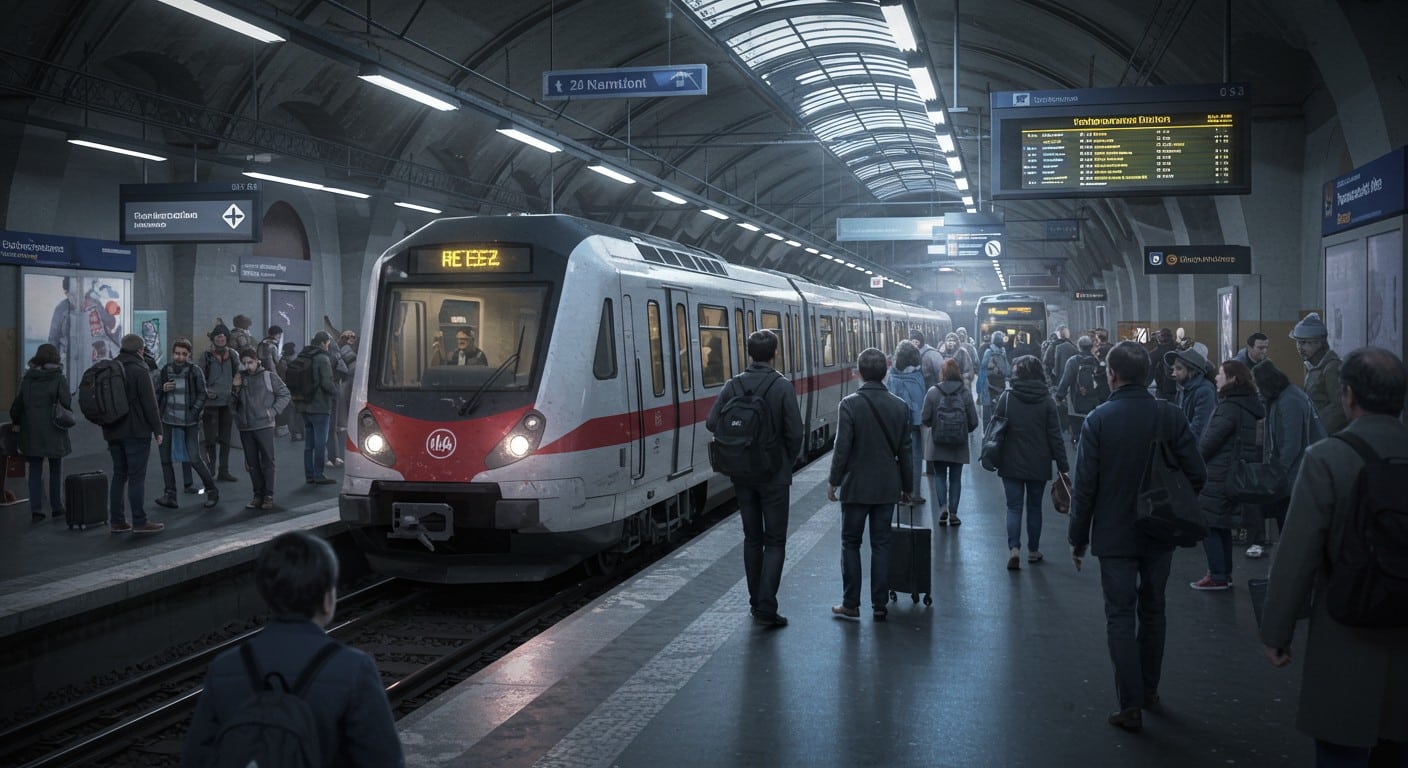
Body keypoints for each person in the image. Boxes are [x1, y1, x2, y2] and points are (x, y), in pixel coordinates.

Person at [1260, 347, 1408, 766]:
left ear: (1347, 396)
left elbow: (1297, 555)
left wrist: (1276, 632)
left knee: (1341, 747)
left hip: (1346, 627)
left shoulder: (1327, 457)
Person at [1068, 341, 1207, 732]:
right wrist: (1171, 503)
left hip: (1114, 536)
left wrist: (1077, 537)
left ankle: (1129, 704)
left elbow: (1086, 488)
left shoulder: (1098, 420)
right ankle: (1149, 691)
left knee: (1119, 615)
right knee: (1154, 609)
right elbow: (1197, 473)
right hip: (1159, 531)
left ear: (1111, 374)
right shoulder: (1171, 415)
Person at [182, 531, 405, 767]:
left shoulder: (225, 666)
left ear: (266, 595)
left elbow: (195, 759)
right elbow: (384, 760)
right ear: (328, 597)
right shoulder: (353, 668)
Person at [705, 329, 804, 628]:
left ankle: (753, 602)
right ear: (774, 353)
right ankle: (766, 607)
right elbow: (796, 432)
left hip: (742, 475)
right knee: (774, 541)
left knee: (752, 538)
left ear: (749, 353)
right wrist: (785, 459)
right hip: (774, 475)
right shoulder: (781, 386)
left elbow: (712, 422)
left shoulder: (732, 385)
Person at [828, 347, 912, 621]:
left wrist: (833, 481)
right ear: (885, 372)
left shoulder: (849, 404)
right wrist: (907, 487)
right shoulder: (900, 406)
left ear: (860, 373)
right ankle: (879, 604)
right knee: (881, 544)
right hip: (887, 486)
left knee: (850, 543)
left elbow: (842, 448)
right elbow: (906, 451)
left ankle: (850, 603)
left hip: (855, 487)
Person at [1189, 360, 1264, 591]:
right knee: (1220, 524)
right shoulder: (1249, 405)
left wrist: (1193, 462)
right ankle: (1223, 573)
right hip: (1234, 471)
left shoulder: (1228, 407)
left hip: (1219, 472)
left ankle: (1218, 575)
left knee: (1208, 522)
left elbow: (1210, 441)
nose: (1216, 378)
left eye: (1221, 374)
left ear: (1233, 379)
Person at [992, 355, 1069, 569]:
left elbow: (995, 429)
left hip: (1010, 461)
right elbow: (1055, 436)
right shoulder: (1047, 400)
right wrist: (1064, 467)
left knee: (1014, 507)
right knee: (1035, 508)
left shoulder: (1007, 398)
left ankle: (1014, 549)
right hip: (1039, 461)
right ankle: (1033, 550)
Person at [1242, 360, 1325, 558]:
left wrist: (1276, 472)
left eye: (1258, 385)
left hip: (1293, 473)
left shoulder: (1289, 402)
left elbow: (1291, 444)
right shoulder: (1285, 397)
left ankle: (1289, 555)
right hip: (1291, 472)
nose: (1257, 390)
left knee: (1285, 516)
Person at [105, 334, 166, 533]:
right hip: (137, 431)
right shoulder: (140, 369)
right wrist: (158, 429)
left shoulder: (111, 367)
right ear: (141, 350)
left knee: (118, 475)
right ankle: (139, 522)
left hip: (113, 430)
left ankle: (117, 521)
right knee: (136, 477)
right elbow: (150, 404)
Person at [8, 344, 71, 521]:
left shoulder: (28, 379)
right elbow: (66, 402)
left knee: (35, 469)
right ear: (56, 359)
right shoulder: (59, 378)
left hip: (31, 430)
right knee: (55, 468)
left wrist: (16, 422)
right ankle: (57, 506)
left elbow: (18, 405)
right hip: (54, 429)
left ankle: (37, 509)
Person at [154, 339, 219, 510]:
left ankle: (212, 490)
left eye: (183, 354)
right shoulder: (166, 369)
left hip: (189, 421)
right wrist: (162, 388)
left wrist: (193, 412)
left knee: (194, 457)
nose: (179, 357)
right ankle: (170, 494)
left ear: (188, 355)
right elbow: (156, 392)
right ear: (172, 352)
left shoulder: (194, 370)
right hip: (167, 419)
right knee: (165, 458)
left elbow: (202, 394)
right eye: (177, 353)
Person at [921, 358, 979, 526]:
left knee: (939, 476)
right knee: (955, 478)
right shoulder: (965, 393)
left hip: (938, 443)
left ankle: (942, 507)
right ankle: (953, 513)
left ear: (942, 374)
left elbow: (924, 418)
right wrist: (961, 431)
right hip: (958, 445)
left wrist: (937, 427)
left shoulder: (933, 392)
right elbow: (974, 421)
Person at [234, 349, 291, 510]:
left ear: (257, 360)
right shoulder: (240, 377)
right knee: (252, 463)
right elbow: (232, 403)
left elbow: (285, 394)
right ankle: (257, 494)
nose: (247, 366)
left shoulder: (269, 376)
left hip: (264, 425)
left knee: (268, 461)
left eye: (250, 362)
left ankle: (268, 495)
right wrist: (235, 388)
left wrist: (271, 412)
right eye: (244, 363)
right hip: (246, 426)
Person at [1290, 312, 1348, 434]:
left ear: (1319, 343)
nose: (1300, 348)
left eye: (1305, 343)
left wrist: (1316, 428)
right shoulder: (1313, 367)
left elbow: (1340, 407)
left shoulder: (1332, 367)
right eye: (1298, 342)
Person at [886, 340, 927, 505]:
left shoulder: (892, 377)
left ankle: (899, 492)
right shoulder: (918, 376)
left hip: (896, 423)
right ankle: (915, 492)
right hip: (915, 423)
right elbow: (920, 399)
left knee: (897, 457)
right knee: (916, 457)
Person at [201, 323, 240, 482]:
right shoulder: (206, 356)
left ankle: (224, 471)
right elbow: (199, 377)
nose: (221, 340)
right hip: (210, 404)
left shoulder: (233, 355)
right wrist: (205, 392)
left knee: (225, 440)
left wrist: (235, 392)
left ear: (227, 339)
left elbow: (238, 374)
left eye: (223, 337)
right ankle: (210, 471)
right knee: (210, 440)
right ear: (213, 339)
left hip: (227, 403)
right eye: (218, 337)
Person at [300, 332, 339, 486]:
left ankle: (309, 474)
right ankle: (319, 474)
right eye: (328, 343)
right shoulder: (322, 358)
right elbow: (327, 383)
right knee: (320, 443)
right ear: (324, 343)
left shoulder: (304, 355)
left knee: (309, 444)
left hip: (304, 405)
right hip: (320, 406)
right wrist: (336, 393)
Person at [1054, 335, 1102, 445]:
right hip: (1095, 400)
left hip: (1077, 398)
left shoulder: (1073, 361)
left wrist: (1059, 397)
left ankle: (1078, 440)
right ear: (1090, 347)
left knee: (1077, 423)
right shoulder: (1096, 361)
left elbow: (1066, 380)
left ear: (1078, 347)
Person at [1166, 345, 1217, 439]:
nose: (1174, 373)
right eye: (1173, 368)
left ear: (1192, 371)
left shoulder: (1204, 391)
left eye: (1179, 368)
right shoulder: (1184, 388)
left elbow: (1200, 430)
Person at [327, 330, 357, 468]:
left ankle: (334, 455)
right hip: (344, 384)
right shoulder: (345, 351)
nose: (353, 340)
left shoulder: (335, 348)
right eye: (351, 338)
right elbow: (348, 369)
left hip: (340, 385)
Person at [976, 331, 1010, 431]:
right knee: (999, 410)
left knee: (987, 410)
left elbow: (982, 369)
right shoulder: (1003, 352)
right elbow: (1007, 371)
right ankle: (997, 430)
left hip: (989, 385)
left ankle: (987, 432)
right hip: (1000, 385)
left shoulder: (989, 351)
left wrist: (979, 388)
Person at [280, 341, 304, 441]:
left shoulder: (282, 361)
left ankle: (293, 433)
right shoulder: (300, 359)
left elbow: (281, 376)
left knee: (291, 412)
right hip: (299, 389)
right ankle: (301, 432)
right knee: (300, 412)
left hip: (288, 388)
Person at [1149, 328, 1180, 401]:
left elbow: (1149, 375)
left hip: (1163, 392)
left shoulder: (1155, 354)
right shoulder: (1180, 350)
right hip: (1180, 390)